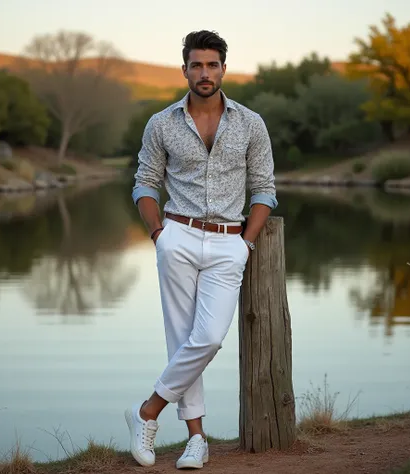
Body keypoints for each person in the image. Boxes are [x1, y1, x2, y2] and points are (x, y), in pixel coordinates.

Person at [126, 30, 278, 470]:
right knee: (181, 339)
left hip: (231, 242)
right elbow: (145, 181)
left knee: (208, 338)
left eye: (212, 65)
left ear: (224, 69)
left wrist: (247, 242)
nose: (205, 73)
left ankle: (147, 411)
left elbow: (265, 188)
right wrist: (158, 233)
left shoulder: (251, 123)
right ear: (185, 70)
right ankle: (197, 439)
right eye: (197, 65)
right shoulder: (161, 123)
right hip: (177, 237)